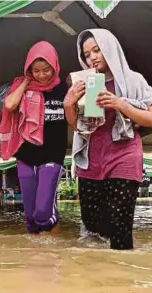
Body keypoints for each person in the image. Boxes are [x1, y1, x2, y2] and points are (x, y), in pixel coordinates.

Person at [64, 29, 152, 249]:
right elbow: (78, 127)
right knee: (94, 230)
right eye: (86, 54)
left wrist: (121, 104)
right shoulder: (86, 83)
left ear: (110, 48)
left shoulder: (134, 80)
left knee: (120, 230)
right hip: (92, 159)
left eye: (97, 50)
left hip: (125, 156)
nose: (92, 57)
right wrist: (68, 104)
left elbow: (150, 118)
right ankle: (100, 277)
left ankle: (121, 279)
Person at [0, 41, 68, 234]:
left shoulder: (64, 88)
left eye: (46, 70)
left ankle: (54, 225)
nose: (42, 75)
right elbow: (10, 104)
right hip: (26, 153)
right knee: (30, 218)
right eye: (36, 71)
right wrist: (26, 83)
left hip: (52, 154)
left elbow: (75, 116)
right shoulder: (23, 85)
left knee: (42, 213)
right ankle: (38, 256)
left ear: (54, 66)